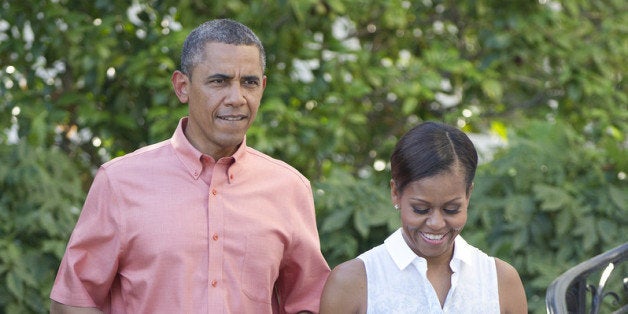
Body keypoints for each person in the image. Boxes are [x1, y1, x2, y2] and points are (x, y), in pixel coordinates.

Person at [50, 19, 330, 314]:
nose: (237, 98)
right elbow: (73, 300)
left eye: (248, 82)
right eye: (219, 81)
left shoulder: (288, 188)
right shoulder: (119, 181)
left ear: (262, 87)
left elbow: (308, 302)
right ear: (182, 87)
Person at [319, 121, 527, 313]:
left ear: (468, 195)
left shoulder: (500, 281)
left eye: (451, 209)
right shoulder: (353, 282)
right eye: (420, 209)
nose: (436, 223)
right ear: (395, 193)